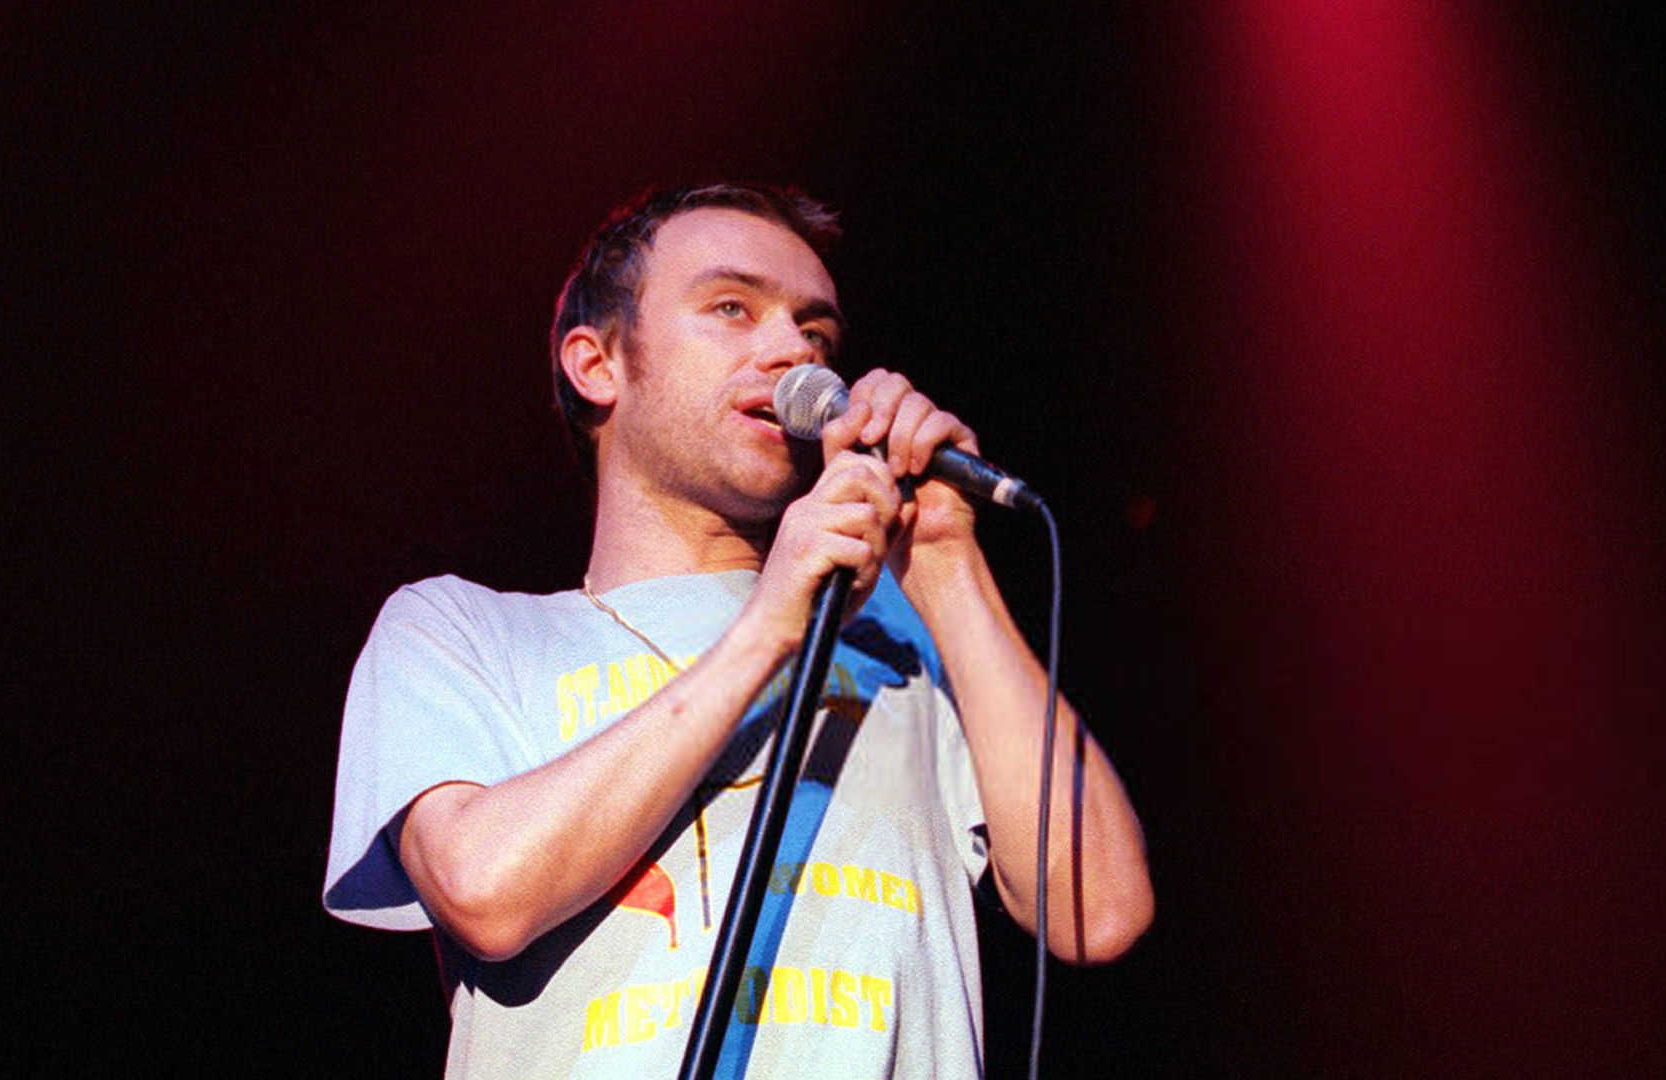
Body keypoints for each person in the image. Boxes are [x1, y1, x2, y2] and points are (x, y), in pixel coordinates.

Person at [323, 184, 1153, 1078]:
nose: (794, 352)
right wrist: (769, 626)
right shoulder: (463, 631)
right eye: (732, 308)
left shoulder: (906, 647)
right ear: (597, 365)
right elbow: (485, 893)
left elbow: (1099, 911)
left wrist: (947, 562)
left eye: (816, 332)